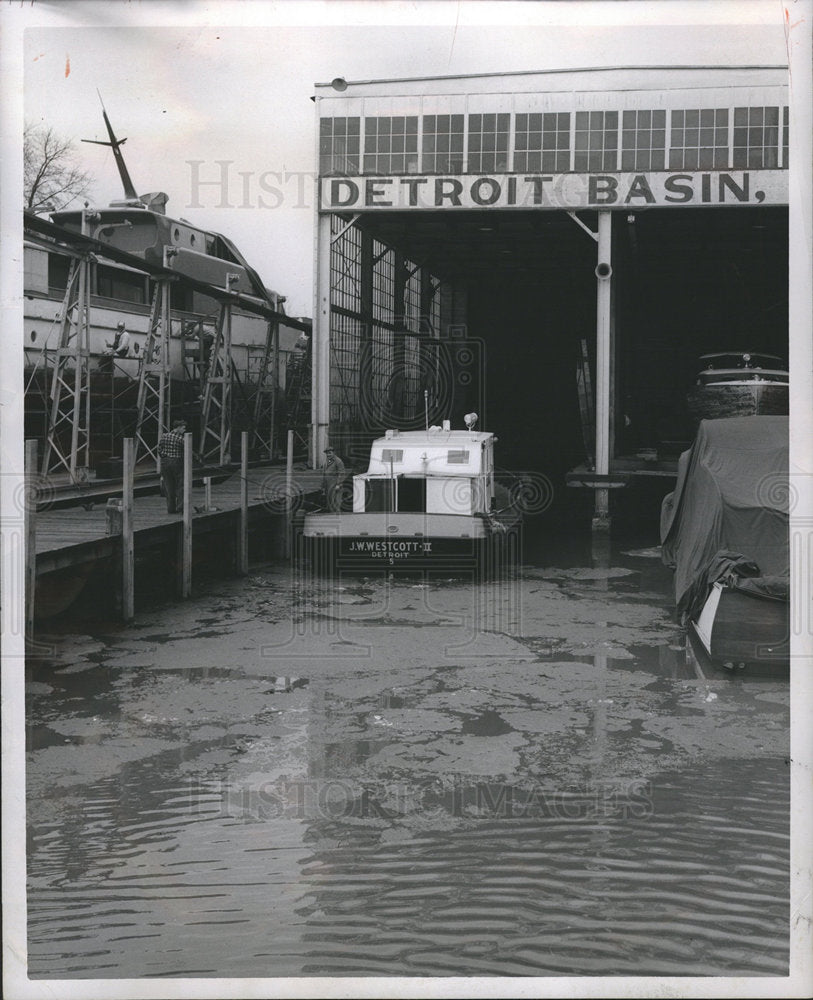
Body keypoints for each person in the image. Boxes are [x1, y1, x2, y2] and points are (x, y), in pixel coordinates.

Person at [158, 419, 187, 514]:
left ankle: (171, 508)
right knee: (180, 484)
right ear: (178, 427)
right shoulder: (181, 439)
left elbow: (159, 449)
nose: (184, 430)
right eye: (183, 428)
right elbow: (186, 451)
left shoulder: (164, 436)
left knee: (168, 485)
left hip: (165, 462)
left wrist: (164, 456)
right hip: (176, 462)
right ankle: (180, 507)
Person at [321, 446, 346, 512]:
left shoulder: (338, 461)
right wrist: (323, 486)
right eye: (327, 453)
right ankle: (330, 516)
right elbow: (324, 474)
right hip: (328, 485)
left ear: (334, 453)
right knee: (329, 501)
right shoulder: (327, 461)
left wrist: (338, 484)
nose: (328, 455)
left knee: (336, 502)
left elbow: (342, 473)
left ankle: (337, 516)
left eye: (330, 453)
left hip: (335, 484)